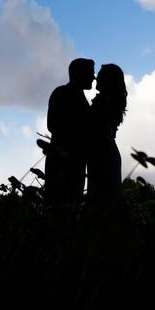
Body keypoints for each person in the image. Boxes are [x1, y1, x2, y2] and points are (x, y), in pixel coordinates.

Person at [44, 58, 94, 205]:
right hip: (62, 164)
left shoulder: (79, 97)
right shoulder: (61, 93)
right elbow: (52, 125)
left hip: (76, 164)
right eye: (90, 73)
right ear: (79, 74)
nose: (93, 77)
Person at [86, 63, 127, 203]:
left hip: (102, 153)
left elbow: (93, 131)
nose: (96, 77)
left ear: (108, 80)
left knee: (101, 197)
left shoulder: (102, 103)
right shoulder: (111, 102)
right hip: (107, 152)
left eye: (100, 75)